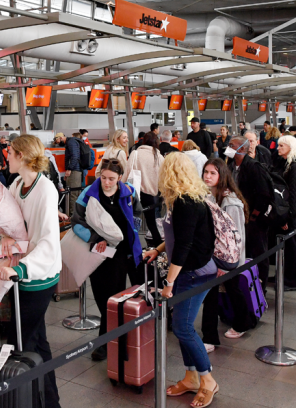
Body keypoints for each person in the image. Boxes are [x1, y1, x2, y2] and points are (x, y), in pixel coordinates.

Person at [142, 153, 219, 408]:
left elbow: (185, 246)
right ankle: (191, 376)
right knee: (181, 324)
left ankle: (207, 380)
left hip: (194, 273)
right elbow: (180, 237)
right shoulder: (190, 197)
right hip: (197, 269)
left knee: (183, 327)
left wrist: (169, 284)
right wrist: (158, 249)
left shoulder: (186, 202)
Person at [0, 135, 62, 408]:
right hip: (21, 272)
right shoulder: (18, 184)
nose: (6, 156)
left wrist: (21, 267)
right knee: (36, 340)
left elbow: (47, 241)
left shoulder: (44, 190)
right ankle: (49, 401)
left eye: (10, 153)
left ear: (22, 156)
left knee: (22, 340)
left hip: (37, 276)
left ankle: (34, 399)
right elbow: (13, 225)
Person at [70, 159, 142, 361]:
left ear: (120, 178)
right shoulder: (88, 194)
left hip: (123, 252)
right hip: (99, 253)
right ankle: (111, 338)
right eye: (103, 177)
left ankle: (107, 341)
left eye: (112, 179)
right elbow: (76, 223)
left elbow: (137, 214)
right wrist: (96, 238)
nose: (107, 182)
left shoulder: (129, 192)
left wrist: (131, 231)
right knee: (103, 298)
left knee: (116, 297)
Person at [200, 158, 251, 350]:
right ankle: (211, 336)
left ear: (222, 176)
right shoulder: (208, 196)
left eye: (213, 173)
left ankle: (241, 323)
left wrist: (226, 264)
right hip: (214, 256)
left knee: (231, 289)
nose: (208, 176)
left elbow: (235, 237)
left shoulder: (231, 202)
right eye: (206, 172)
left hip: (228, 259)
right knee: (213, 294)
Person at [228, 136, 273, 292]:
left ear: (241, 149)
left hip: (254, 220)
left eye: (231, 145)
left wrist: (254, 215)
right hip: (237, 217)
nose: (228, 147)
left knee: (259, 252)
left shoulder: (254, 167)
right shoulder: (231, 166)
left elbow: (264, 194)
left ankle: (261, 289)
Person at [274, 135, 296, 291]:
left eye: (281, 146)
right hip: (286, 213)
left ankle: (291, 280)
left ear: (290, 147)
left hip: (293, 215)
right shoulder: (286, 164)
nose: (278, 148)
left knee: (291, 247)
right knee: (284, 247)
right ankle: (283, 274)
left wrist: (288, 217)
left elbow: (294, 196)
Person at [124, 132, 165, 246]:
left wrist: (121, 187)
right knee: (152, 224)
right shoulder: (159, 156)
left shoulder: (135, 153)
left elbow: (127, 172)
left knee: (130, 221)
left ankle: (131, 246)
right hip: (152, 195)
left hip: (134, 194)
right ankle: (157, 249)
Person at [65, 132, 87, 207]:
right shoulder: (78, 142)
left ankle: (72, 216)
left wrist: (69, 168)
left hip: (74, 171)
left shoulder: (71, 141)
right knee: (77, 194)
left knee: (72, 195)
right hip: (79, 170)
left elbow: (75, 156)